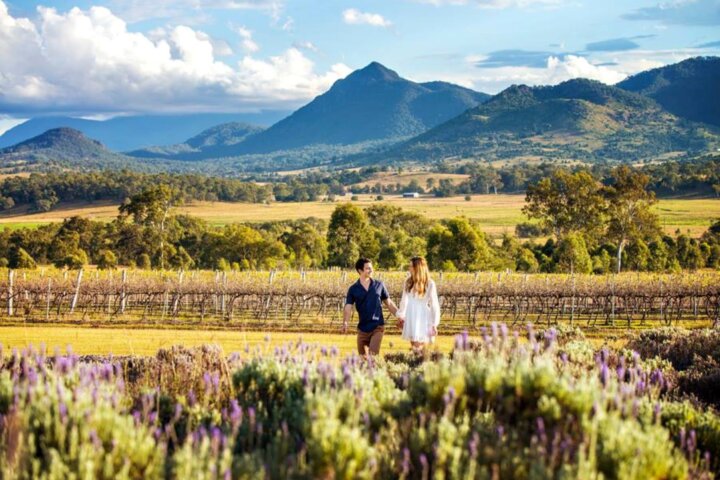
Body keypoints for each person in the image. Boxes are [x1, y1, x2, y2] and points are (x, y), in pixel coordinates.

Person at [343, 258, 400, 356]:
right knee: (362, 359)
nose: (371, 270)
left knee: (372, 356)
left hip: (377, 327)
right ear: (360, 271)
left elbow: (389, 303)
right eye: (368, 268)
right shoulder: (353, 289)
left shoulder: (379, 285)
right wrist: (345, 322)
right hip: (362, 329)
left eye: (371, 268)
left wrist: (400, 316)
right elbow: (348, 307)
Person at [396, 256, 441, 353]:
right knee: (414, 347)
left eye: (411, 266)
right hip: (411, 315)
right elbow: (404, 301)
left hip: (423, 316)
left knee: (421, 348)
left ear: (418, 268)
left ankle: (421, 366)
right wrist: (401, 316)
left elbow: (434, 305)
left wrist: (434, 324)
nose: (409, 268)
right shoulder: (408, 282)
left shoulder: (430, 283)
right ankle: (416, 366)